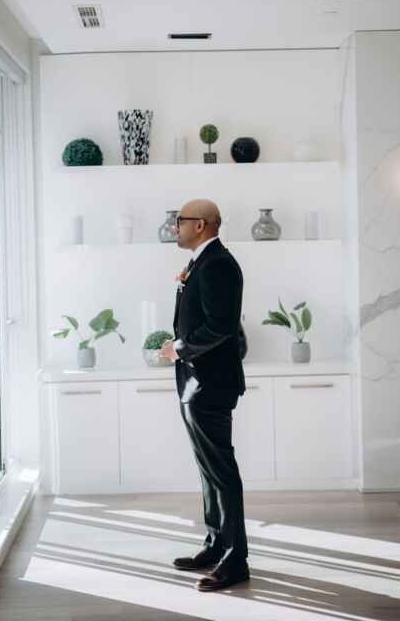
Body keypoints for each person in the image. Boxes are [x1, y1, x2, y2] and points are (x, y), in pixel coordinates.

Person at [161, 198, 249, 592]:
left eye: (179, 220)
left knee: (221, 472)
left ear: (200, 224)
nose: (174, 226)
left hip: (209, 385)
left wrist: (178, 349)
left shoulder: (218, 265)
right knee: (208, 471)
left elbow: (220, 326)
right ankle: (216, 544)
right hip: (196, 383)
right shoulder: (203, 262)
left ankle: (235, 560)